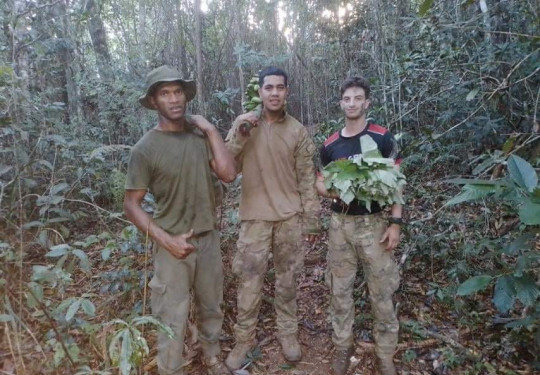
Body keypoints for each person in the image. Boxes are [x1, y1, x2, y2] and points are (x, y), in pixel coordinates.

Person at [123, 65, 236, 375]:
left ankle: (211, 358)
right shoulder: (144, 149)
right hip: (171, 244)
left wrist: (212, 131)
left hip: (207, 238)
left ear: (186, 96)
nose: (174, 99)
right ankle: (170, 369)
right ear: (154, 102)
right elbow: (131, 205)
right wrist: (167, 241)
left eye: (177, 92)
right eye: (165, 93)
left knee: (212, 306)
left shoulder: (200, 136)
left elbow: (227, 174)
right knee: (172, 316)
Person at [224, 66, 320, 370]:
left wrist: (313, 218)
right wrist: (240, 134)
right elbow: (227, 169)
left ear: (287, 91)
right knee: (249, 281)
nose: (275, 93)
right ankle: (244, 340)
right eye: (269, 87)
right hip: (254, 218)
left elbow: (307, 178)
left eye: (280, 87)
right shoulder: (245, 125)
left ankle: (288, 333)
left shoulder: (297, 130)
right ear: (260, 92)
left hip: (289, 217)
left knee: (287, 280)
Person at [316, 76, 403, 375]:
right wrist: (338, 188)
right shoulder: (330, 144)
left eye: (358, 98)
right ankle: (343, 347)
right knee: (339, 290)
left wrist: (395, 222)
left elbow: (397, 183)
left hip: (375, 224)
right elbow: (319, 183)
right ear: (340, 103)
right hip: (340, 224)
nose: (352, 103)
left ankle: (385, 355)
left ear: (367, 102)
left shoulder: (381, 137)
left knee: (382, 292)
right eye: (347, 99)